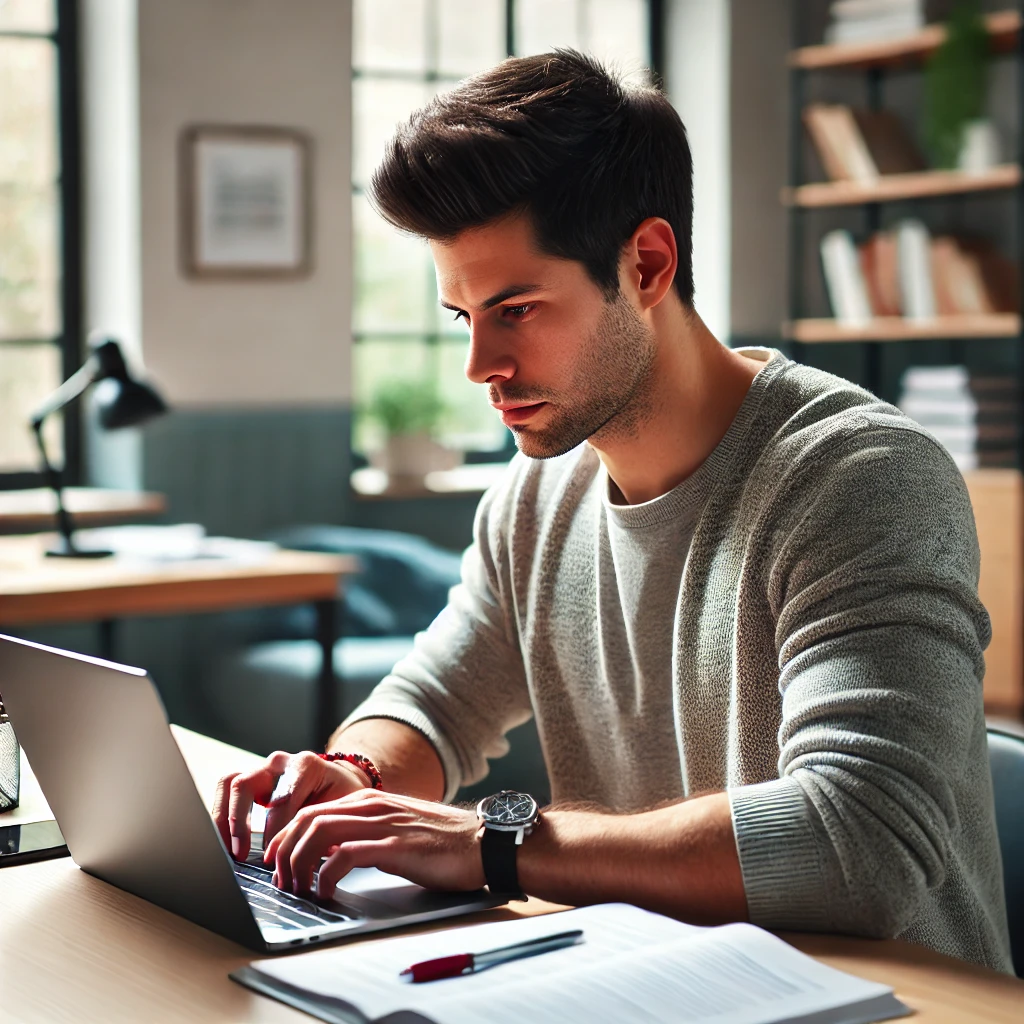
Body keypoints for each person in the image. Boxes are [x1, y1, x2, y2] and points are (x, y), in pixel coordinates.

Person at [213, 50, 1012, 973]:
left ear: (646, 263)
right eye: (462, 317)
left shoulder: (859, 477)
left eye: (515, 308)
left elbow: (860, 844)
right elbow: (437, 699)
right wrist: (352, 780)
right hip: (650, 980)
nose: (479, 366)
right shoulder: (537, 493)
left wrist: (492, 845)